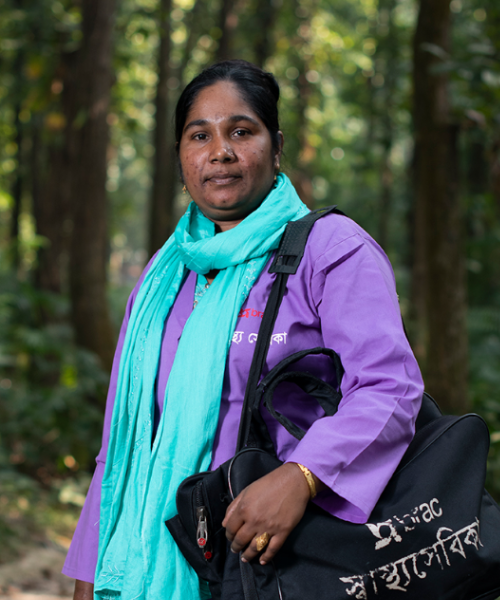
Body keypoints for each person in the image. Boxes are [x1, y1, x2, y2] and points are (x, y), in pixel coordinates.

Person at [64, 60, 423, 600]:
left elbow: (389, 388)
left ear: (275, 146)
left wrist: (303, 475)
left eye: (240, 131)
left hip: (276, 562)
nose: (220, 152)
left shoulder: (331, 250)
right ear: (182, 154)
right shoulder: (167, 273)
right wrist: (93, 569)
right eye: (199, 135)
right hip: (150, 563)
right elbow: (126, 440)